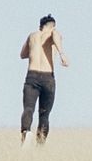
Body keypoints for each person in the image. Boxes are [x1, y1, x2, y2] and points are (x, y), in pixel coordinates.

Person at [19, 14, 69, 145]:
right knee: (44, 114)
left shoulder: (32, 36)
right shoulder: (53, 33)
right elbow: (56, 36)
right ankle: (40, 144)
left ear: (40, 26)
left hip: (32, 76)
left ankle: (26, 132)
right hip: (47, 77)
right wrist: (61, 54)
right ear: (52, 26)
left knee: (28, 109)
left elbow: (22, 54)